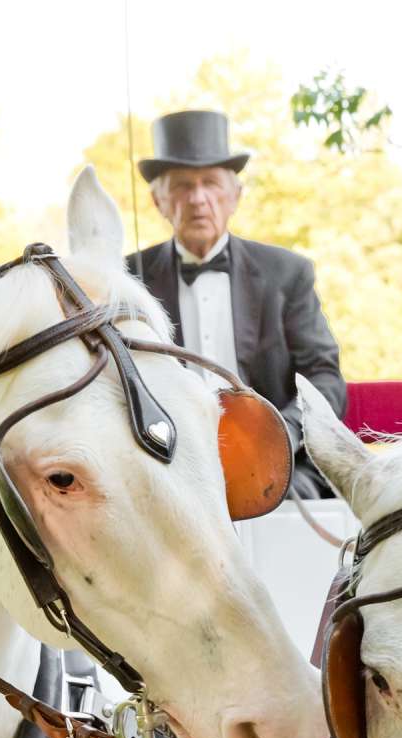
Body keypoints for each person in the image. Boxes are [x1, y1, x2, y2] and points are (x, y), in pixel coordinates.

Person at [126, 108, 347, 495]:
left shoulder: (287, 273)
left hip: (280, 470)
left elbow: (324, 377)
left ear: (235, 197)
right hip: (166, 468)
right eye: (181, 186)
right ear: (158, 201)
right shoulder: (129, 279)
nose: (198, 199)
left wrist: (283, 436)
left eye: (211, 183)